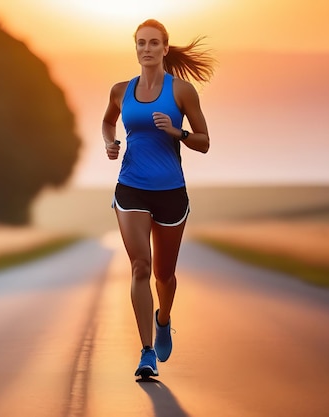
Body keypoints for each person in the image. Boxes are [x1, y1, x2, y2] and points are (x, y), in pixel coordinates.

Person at [102, 19, 214, 378]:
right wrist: (110, 142)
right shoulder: (121, 90)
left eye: (153, 43)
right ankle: (147, 352)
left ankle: (163, 319)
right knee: (141, 267)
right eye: (141, 43)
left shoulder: (182, 91)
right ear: (135, 48)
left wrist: (177, 131)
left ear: (165, 48)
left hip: (170, 192)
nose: (146, 49)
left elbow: (205, 141)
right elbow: (108, 122)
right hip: (131, 186)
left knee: (164, 275)